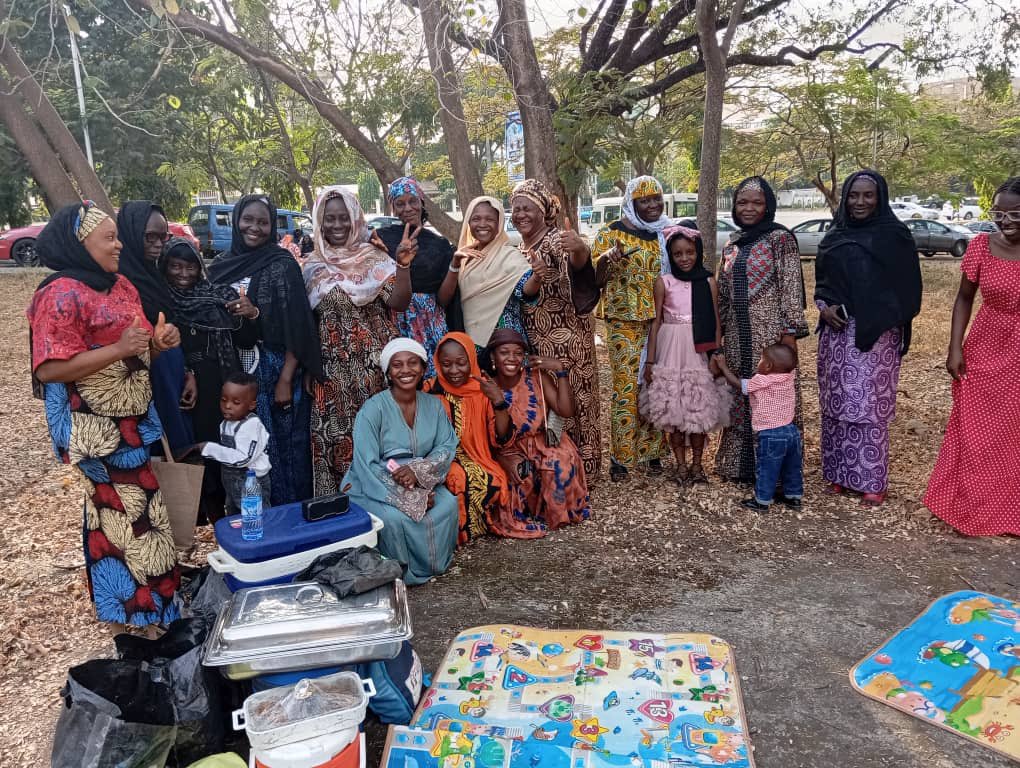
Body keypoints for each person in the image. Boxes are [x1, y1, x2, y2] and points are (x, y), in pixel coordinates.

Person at [27, 201, 182, 630]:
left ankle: (157, 612)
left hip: (132, 421)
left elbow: (140, 344)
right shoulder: (59, 294)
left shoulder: (120, 286)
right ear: (80, 243)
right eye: (109, 238)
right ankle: (134, 617)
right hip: (96, 429)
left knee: (145, 515)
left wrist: (159, 342)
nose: (118, 245)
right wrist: (117, 350)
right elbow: (49, 368)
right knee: (117, 520)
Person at [815, 170, 923, 505]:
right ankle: (838, 473)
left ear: (880, 198)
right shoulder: (836, 234)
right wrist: (824, 307)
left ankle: (871, 479)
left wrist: (876, 313)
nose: (859, 202)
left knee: (867, 407)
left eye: (868, 195)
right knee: (836, 403)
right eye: (853, 195)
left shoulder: (895, 237)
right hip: (836, 335)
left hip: (876, 335)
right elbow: (823, 282)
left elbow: (908, 290)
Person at [209, 194, 322, 505]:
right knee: (244, 451)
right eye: (248, 220)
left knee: (280, 448)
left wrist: (286, 378)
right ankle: (251, 523)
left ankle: (288, 519)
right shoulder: (220, 266)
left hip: (274, 371)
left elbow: (297, 326)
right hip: (233, 373)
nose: (254, 228)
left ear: (272, 226)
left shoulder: (282, 265)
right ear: (236, 221)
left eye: (263, 222)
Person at [924, 177, 1020, 536]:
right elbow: (964, 298)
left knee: (1014, 434)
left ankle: (1011, 512)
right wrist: (955, 346)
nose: (1005, 221)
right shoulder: (981, 246)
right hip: (985, 346)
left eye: (1015, 214)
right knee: (975, 430)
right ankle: (970, 507)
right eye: (999, 213)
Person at [303, 186, 412, 493]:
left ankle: (385, 509)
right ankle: (340, 518)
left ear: (355, 219)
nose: (337, 226)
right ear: (319, 222)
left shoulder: (374, 258)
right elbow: (306, 323)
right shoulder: (311, 265)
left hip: (373, 371)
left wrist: (402, 266)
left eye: (344, 218)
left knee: (378, 439)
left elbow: (399, 302)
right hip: (331, 373)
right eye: (329, 219)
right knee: (334, 440)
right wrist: (308, 368)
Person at [714, 176, 808, 483]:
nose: (749, 208)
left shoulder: (780, 239)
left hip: (770, 339)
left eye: (757, 202)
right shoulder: (732, 244)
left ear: (768, 205)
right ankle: (740, 468)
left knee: (772, 400)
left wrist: (789, 336)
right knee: (741, 396)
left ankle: (777, 475)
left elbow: (792, 288)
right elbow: (724, 296)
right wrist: (718, 339)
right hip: (737, 337)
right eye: (742, 202)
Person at [343, 339, 459, 585]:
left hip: (421, 478)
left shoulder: (433, 405)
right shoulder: (372, 410)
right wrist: (411, 496)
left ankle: (435, 566)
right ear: (387, 371)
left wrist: (418, 472)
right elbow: (367, 462)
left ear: (422, 366)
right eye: (397, 365)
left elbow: (446, 445)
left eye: (412, 363)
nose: (405, 370)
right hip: (376, 482)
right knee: (393, 520)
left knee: (447, 504)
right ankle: (402, 574)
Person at [160, 236, 259, 522]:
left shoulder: (220, 295)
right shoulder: (163, 301)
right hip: (191, 389)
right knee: (203, 453)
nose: (183, 274)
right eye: (176, 266)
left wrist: (249, 314)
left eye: (190, 267)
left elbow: (246, 339)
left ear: (200, 267)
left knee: (232, 449)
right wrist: (186, 372)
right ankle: (213, 519)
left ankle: (236, 517)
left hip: (225, 384)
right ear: (165, 267)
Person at [510, 178, 603, 479]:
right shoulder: (521, 247)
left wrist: (580, 250)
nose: (521, 214)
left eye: (528, 208)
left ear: (542, 212)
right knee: (551, 407)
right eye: (516, 209)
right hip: (538, 342)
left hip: (568, 343)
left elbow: (574, 262)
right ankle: (559, 470)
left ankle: (582, 473)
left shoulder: (552, 240)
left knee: (576, 406)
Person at [591, 175, 673, 481]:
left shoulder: (665, 233)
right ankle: (621, 457)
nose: (651, 205)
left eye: (656, 199)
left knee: (653, 384)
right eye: (644, 200)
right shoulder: (611, 234)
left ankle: (652, 453)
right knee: (625, 388)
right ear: (632, 202)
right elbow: (595, 281)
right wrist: (606, 260)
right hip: (623, 321)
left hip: (659, 321)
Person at [428, 332, 544, 541]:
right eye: (446, 364)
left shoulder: (482, 389)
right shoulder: (430, 389)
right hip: (441, 455)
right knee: (458, 478)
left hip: (479, 454)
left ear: (471, 360)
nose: (454, 370)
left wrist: (499, 402)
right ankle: (461, 534)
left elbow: (501, 438)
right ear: (437, 362)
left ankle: (482, 526)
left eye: (461, 363)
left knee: (500, 476)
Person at [640, 227, 730, 484]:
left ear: (698, 252)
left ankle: (698, 465)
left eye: (690, 252)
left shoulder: (708, 281)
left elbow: (714, 321)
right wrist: (650, 359)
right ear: (670, 255)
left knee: (697, 406)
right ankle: (680, 465)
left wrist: (716, 353)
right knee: (673, 409)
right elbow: (656, 322)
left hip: (698, 349)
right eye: (678, 254)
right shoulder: (664, 282)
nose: (684, 258)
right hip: (670, 347)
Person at [487, 329, 592, 530]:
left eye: (518, 353)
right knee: (514, 479)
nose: (512, 358)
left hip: (544, 441)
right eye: (504, 352)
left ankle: (554, 513)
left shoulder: (536, 377)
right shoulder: (488, 386)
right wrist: (501, 457)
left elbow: (566, 410)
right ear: (493, 356)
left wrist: (561, 371)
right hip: (510, 449)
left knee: (558, 462)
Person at [117, 201, 195, 454]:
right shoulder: (118, 279)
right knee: (159, 449)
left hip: (171, 372)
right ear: (130, 232)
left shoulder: (153, 274)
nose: (159, 244)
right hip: (146, 378)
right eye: (151, 236)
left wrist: (187, 372)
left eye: (164, 236)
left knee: (179, 445)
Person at [375, 177, 458, 376]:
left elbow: (444, 299)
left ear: (422, 202)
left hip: (431, 322)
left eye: (412, 201)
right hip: (393, 318)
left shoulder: (439, 244)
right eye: (400, 204)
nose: (407, 208)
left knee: (434, 379)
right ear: (393, 209)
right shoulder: (381, 238)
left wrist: (455, 266)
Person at [439, 196, 541, 350]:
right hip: (471, 344)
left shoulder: (509, 255)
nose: (482, 224)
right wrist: (455, 265)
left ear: (499, 223)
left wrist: (537, 277)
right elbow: (444, 300)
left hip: (504, 344)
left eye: (490, 219)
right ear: (468, 222)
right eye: (476, 219)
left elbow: (526, 291)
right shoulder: (463, 256)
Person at [715, 344, 803, 511]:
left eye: (762, 359)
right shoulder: (789, 376)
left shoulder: (761, 380)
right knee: (792, 467)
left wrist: (723, 366)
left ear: (768, 366)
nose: (759, 362)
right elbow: (788, 364)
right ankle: (794, 497)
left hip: (771, 433)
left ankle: (762, 500)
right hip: (791, 431)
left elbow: (738, 384)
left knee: (767, 468)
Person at [198, 372, 271, 515]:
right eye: (223, 400)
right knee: (234, 516)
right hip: (231, 483)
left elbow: (243, 458)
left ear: (251, 405)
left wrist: (209, 448)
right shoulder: (226, 423)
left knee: (256, 517)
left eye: (236, 402)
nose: (228, 406)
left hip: (251, 483)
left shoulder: (252, 425)